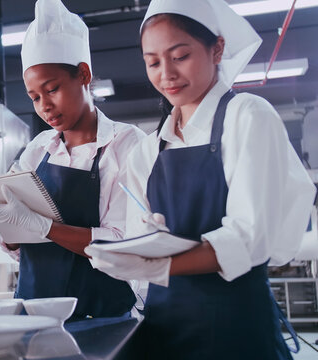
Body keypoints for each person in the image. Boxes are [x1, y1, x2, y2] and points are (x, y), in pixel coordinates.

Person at [86, 0, 316, 358]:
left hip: (236, 327)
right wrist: (136, 249)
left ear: (217, 48)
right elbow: (135, 238)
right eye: (153, 62)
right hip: (163, 328)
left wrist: (161, 263)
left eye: (180, 56)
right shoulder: (148, 151)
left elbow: (249, 238)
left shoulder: (248, 116)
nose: (166, 73)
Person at [0, 0, 146, 320]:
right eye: (34, 97)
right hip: (34, 314)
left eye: (52, 89)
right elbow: (19, 247)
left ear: (83, 74)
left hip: (102, 317)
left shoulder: (126, 145)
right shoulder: (38, 149)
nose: (44, 106)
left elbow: (122, 245)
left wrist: (44, 227)